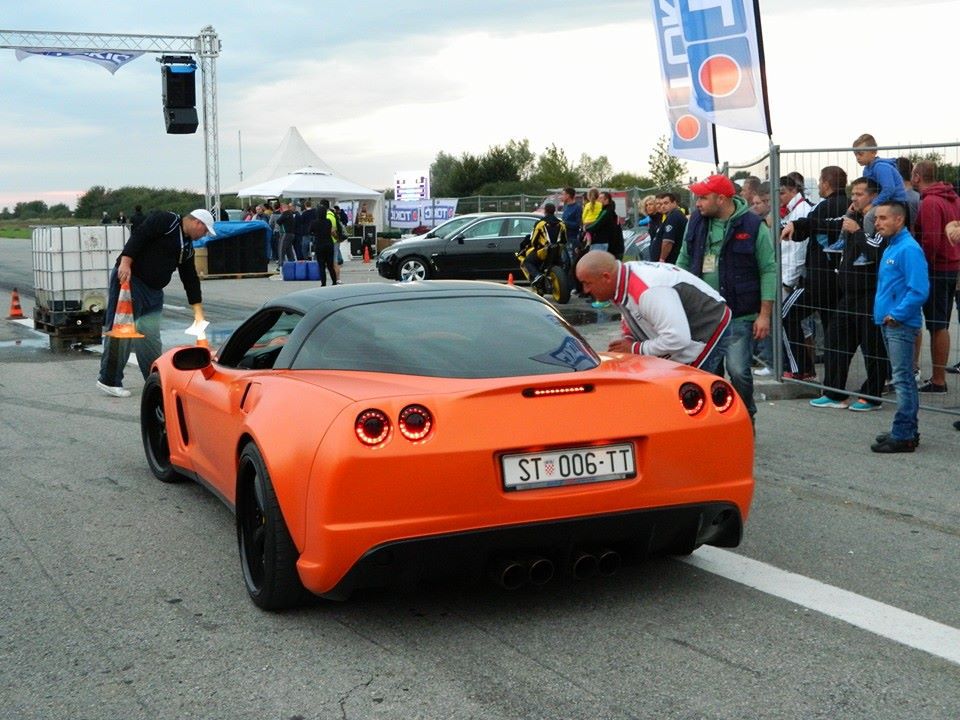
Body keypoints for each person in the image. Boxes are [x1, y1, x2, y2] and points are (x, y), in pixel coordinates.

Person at [676, 174, 777, 423]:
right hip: (704, 315)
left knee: (738, 371)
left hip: (739, 314)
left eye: (703, 197)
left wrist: (764, 315)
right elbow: (683, 260)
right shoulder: (696, 222)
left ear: (721, 199)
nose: (697, 203)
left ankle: (745, 419)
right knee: (708, 374)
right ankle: (715, 425)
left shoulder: (753, 226)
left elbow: (768, 269)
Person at [97, 209, 213, 398]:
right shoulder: (167, 221)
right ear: (198, 223)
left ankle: (156, 380)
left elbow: (189, 277)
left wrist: (197, 308)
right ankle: (108, 380)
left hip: (153, 291)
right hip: (132, 280)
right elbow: (140, 236)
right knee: (123, 329)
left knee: (150, 338)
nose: (204, 235)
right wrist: (125, 263)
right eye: (205, 231)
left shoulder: (187, 247)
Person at [576, 251, 731, 372]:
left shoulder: (648, 290)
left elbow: (677, 339)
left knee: (690, 388)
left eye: (587, 283)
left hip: (709, 326)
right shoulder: (622, 277)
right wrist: (629, 338)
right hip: (688, 329)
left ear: (606, 277)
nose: (585, 290)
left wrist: (634, 348)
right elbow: (632, 311)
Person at [811, 177, 888, 411]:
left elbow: (877, 252)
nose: (854, 198)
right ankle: (835, 393)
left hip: (870, 294)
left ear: (873, 196)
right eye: (852, 193)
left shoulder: (878, 220)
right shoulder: (853, 216)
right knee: (836, 341)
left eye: (859, 194)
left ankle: (872, 396)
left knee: (872, 347)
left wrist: (855, 232)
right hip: (849, 294)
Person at [780, 166, 848, 384]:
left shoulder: (825, 207)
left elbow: (804, 233)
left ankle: (801, 368)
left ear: (826, 183)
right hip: (839, 280)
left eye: (820, 181)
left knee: (786, 314)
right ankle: (834, 384)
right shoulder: (847, 206)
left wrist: (796, 227)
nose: (818, 185)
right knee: (832, 332)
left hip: (819, 279)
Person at [871, 201, 929, 453]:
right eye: (876, 218)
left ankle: (904, 434)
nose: (877, 223)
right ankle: (905, 429)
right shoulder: (892, 247)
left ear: (899, 220)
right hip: (890, 322)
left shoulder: (908, 249)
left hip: (900, 324)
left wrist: (896, 314)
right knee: (901, 377)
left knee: (903, 379)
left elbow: (919, 289)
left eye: (883, 218)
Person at [518, 203, 567, 289]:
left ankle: (537, 275)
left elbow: (533, 240)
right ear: (554, 211)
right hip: (557, 251)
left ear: (545, 211)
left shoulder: (540, 224)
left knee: (527, 261)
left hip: (543, 251)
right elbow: (564, 240)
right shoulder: (561, 224)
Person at [852, 133, 906, 211]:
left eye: (860, 154)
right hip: (884, 202)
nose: (857, 157)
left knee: (869, 217)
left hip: (896, 203)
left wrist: (872, 204)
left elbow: (889, 189)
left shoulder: (881, 167)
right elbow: (868, 191)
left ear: (873, 152)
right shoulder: (866, 170)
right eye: (855, 154)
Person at [649, 192, 687, 263]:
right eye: (661, 204)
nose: (663, 206)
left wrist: (662, 259)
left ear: (674, 203)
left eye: (666, 203)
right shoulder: (671, 216)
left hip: (670, 263)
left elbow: (668, 241)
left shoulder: (673, 216)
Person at [309, 204, 337, 286]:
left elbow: (309, 231)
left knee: (321, 265)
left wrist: (315, 233)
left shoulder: (314, 222)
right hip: (329, 244)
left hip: (319, 244)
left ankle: (323, 283)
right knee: (330, 265)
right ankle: (334, 281)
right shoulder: (328, 221)